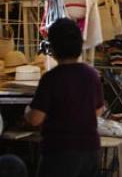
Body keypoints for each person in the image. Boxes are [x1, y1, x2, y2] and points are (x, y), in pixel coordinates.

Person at [25, 18, 104, 177]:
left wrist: (27, 111)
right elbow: (98, 110)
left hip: (59, 152)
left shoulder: (51, 79)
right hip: (90, 150)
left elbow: (35, 119)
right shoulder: (91, 75)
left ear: (53, 48)